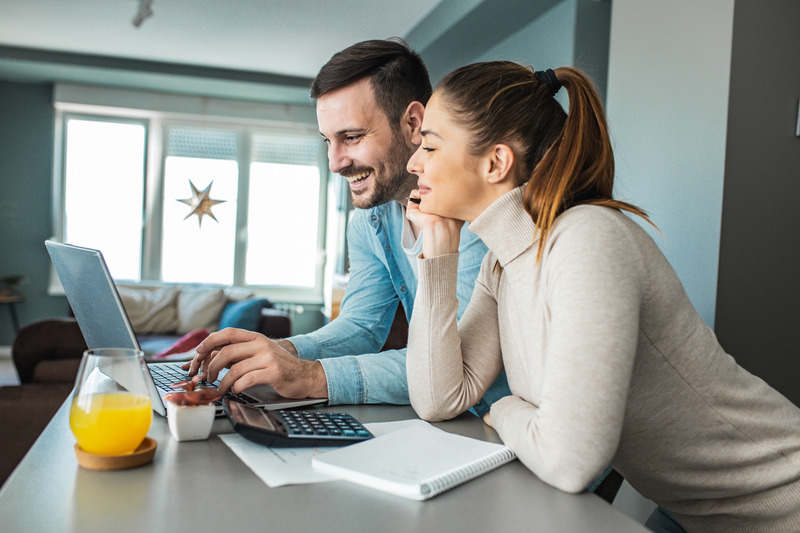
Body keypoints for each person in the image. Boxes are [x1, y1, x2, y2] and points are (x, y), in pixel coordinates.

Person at [404, 61, 800, 532]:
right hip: (695, 515)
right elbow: (439, 397)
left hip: (780, 506)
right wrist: (437, 255)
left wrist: (504, 408)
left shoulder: (586, 239)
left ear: (495, 163)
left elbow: (570, 461)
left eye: (429, 145)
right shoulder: (501, 263)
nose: (414, 163)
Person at [183, 39, 509, 414]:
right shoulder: (370, 221)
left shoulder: (478, 215)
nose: (335, 163)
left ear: (413, 123)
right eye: (328, 140)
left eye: (351, 137)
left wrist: (310, 376)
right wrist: (282, 352)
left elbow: (453, 370)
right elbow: (362, 326)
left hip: (494, 432)